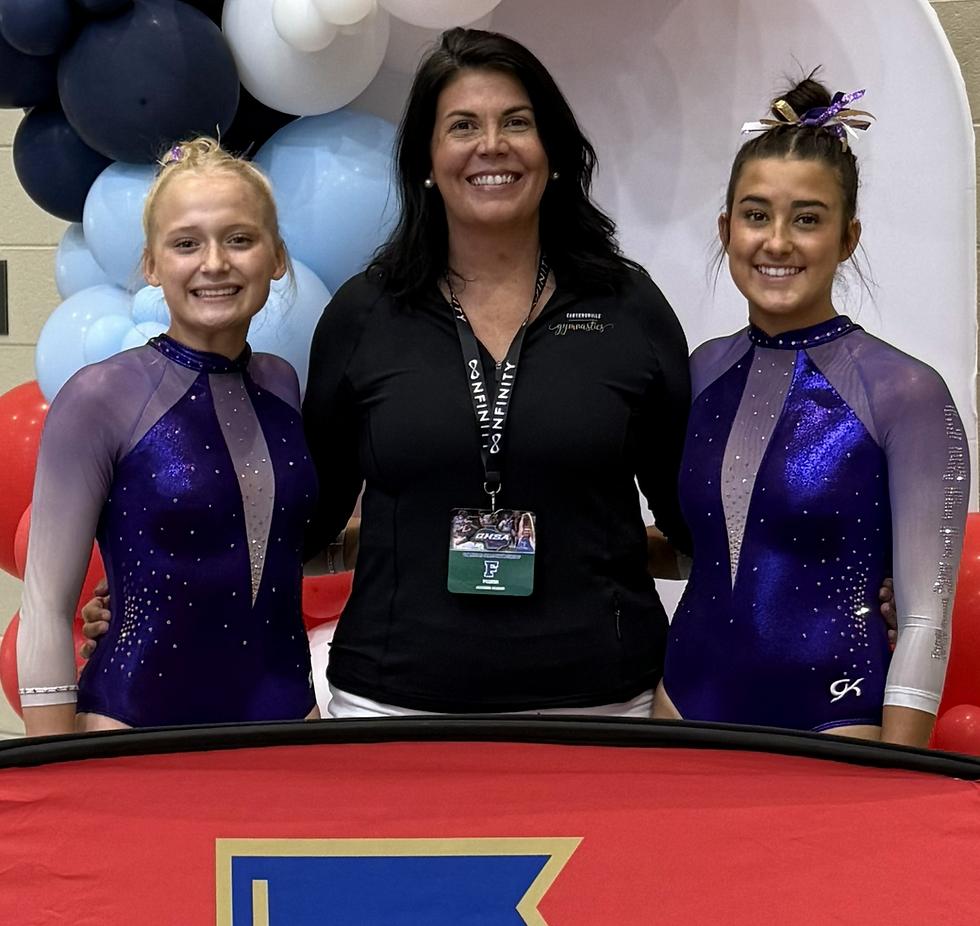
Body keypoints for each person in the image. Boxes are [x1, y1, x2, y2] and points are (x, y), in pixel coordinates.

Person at [300, 27, 693, 716]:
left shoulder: (628, 306)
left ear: (553, 151)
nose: (492, 145)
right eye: (462, 125)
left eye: (517, 122)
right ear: (426, 159)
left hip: (604, 705)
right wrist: (158, 581)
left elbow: (699, 521)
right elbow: (301, 525)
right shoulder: (365, 314)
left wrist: (842, 585)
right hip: (393, 707)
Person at [653, 77, 969, 747]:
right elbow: (705, 547)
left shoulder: (906, 391)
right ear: (726, 230)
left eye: (806, 218)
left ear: (847, 237)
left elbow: (925, 619)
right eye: (756, 215)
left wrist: (898, 772)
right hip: (684, 705)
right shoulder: (702, 370)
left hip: (834, 717)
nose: (777, 242)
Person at [18, 138, 319, 734]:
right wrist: (52, 769)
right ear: (152, 265)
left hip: (287, 728)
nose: (215, 262)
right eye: (186, 243)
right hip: (135, 733)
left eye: (240, 238)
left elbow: (265, 540)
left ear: (277, 257)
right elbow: (45, 608)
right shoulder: (100, 397)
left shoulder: (281, 384)